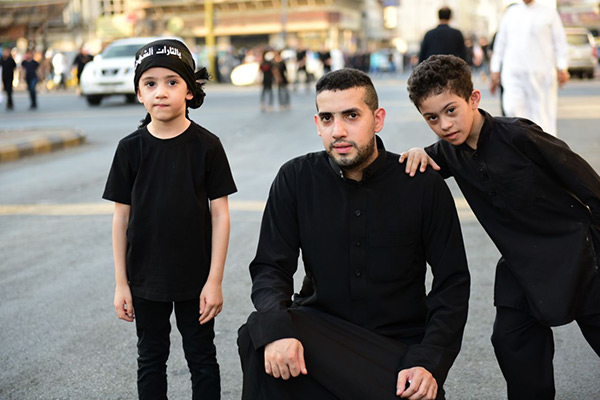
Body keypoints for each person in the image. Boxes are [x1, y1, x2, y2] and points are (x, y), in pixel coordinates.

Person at [238, 68, 470, 400]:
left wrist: (428, 361)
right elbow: (270, 267)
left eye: (351, 116)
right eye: (327, 119)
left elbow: (452, 284)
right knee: (259, 335)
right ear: (317, 124)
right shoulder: (296, 179)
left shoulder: (420, 185)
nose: (339, 131)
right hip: (322, 332)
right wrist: (278, 331)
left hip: (396, 348)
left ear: (378, 119)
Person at [401, 54, 600, 400]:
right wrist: (417, 151)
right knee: (512, 341)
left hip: (578, 253)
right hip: (521, 266)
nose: (445, 125)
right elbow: (420, 165)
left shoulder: (518, 135)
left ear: (473, 99)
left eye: (451, 110)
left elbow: (589, 185)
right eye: (432, 118)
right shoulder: (448, 153)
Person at [102, 39, 237, 400]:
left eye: (172, 82)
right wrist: (121, 283)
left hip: (196, 279)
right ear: (139, 94)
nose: (160, 92)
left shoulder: (207, 146)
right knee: (151, 359)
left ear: (189, 91)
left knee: (202, 359)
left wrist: (215, 281)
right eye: (150, 83)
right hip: (145, 279)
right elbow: (120, 219)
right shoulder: (130, 149)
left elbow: (221, 214)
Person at [489, 0, 569, 137]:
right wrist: (495, 69)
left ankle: (544, 147)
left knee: (542, 115)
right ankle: (520, 146)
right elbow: (500, 45)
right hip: (513, 73)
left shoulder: (549, 13)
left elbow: (560, 43)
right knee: (512, 109)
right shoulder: (511, 13)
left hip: (541, 74)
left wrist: (562, 67)